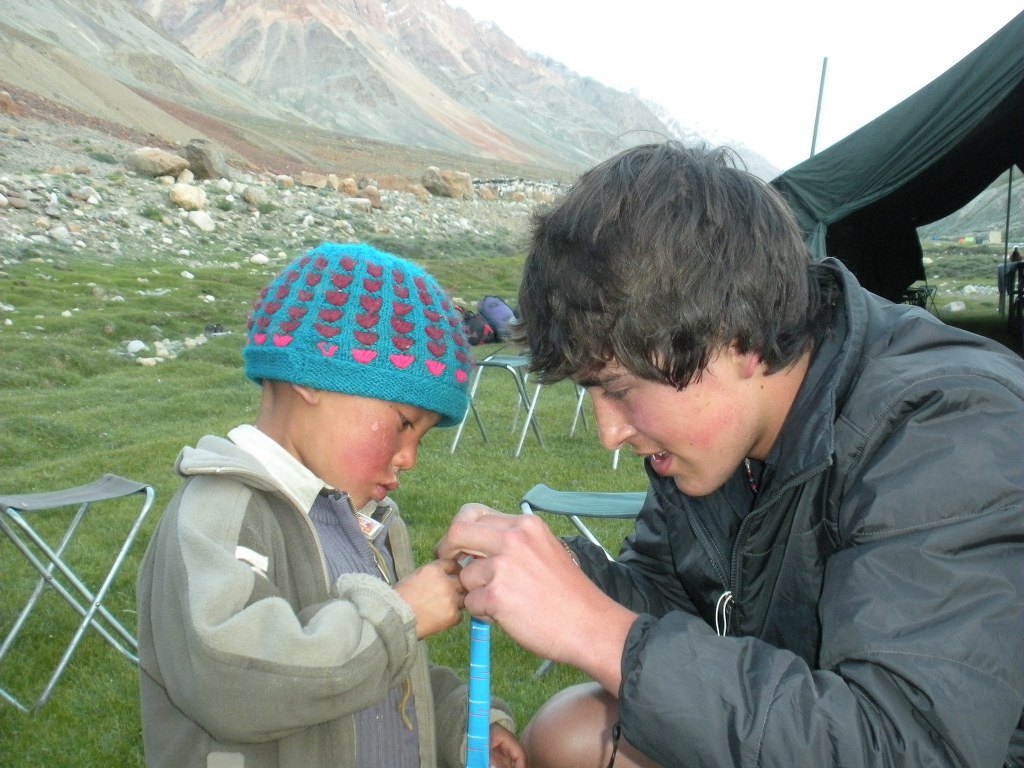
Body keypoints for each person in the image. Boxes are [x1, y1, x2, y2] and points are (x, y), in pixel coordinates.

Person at [438, 143, 1024, 767]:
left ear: (738, 340)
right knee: (575, 732)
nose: (610, 433)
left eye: (622, 391)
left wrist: (593, 627)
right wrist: (565, 576)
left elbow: (910, 748)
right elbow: (674, 607)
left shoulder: (947, 425)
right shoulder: (715, 437)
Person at [136, 243, 525, 768]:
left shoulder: (366, 524)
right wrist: (401, 615)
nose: (408, 458)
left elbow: (384, 665)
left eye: (422, 438)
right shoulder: (220, 513)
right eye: (404, 423)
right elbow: (228, 679)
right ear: (311, 377)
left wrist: (461, 723)